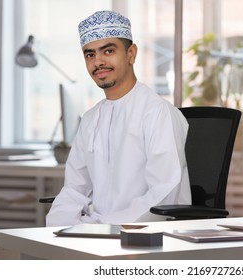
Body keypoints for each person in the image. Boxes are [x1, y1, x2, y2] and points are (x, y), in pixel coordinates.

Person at [46, 10, 191, 226]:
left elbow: (163, 194)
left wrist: (103, 228)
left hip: (146, 237)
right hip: (97, 235)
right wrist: (57, 228)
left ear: (131, 54)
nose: (98, 62)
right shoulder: (90, 119)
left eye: (108, 51)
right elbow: (75, 189)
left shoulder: (157, 113)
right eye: (90, 54)